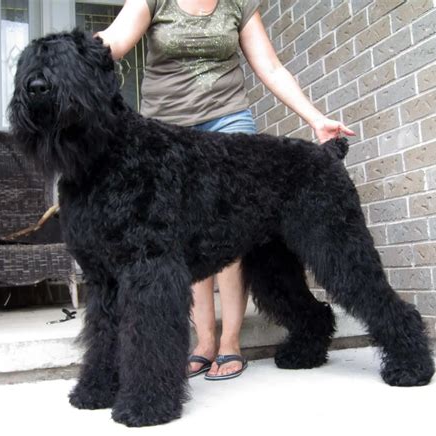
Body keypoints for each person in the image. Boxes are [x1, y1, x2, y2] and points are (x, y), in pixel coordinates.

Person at [97, 0, 355, 381]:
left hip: (228, 123)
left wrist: (315, 118)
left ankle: (231, 342)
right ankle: (204, 342)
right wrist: (70, 52)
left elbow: (269, 66)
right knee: (184, 247)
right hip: (168, 132)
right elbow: (114, 41)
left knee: (235, 241)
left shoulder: (239, 2)